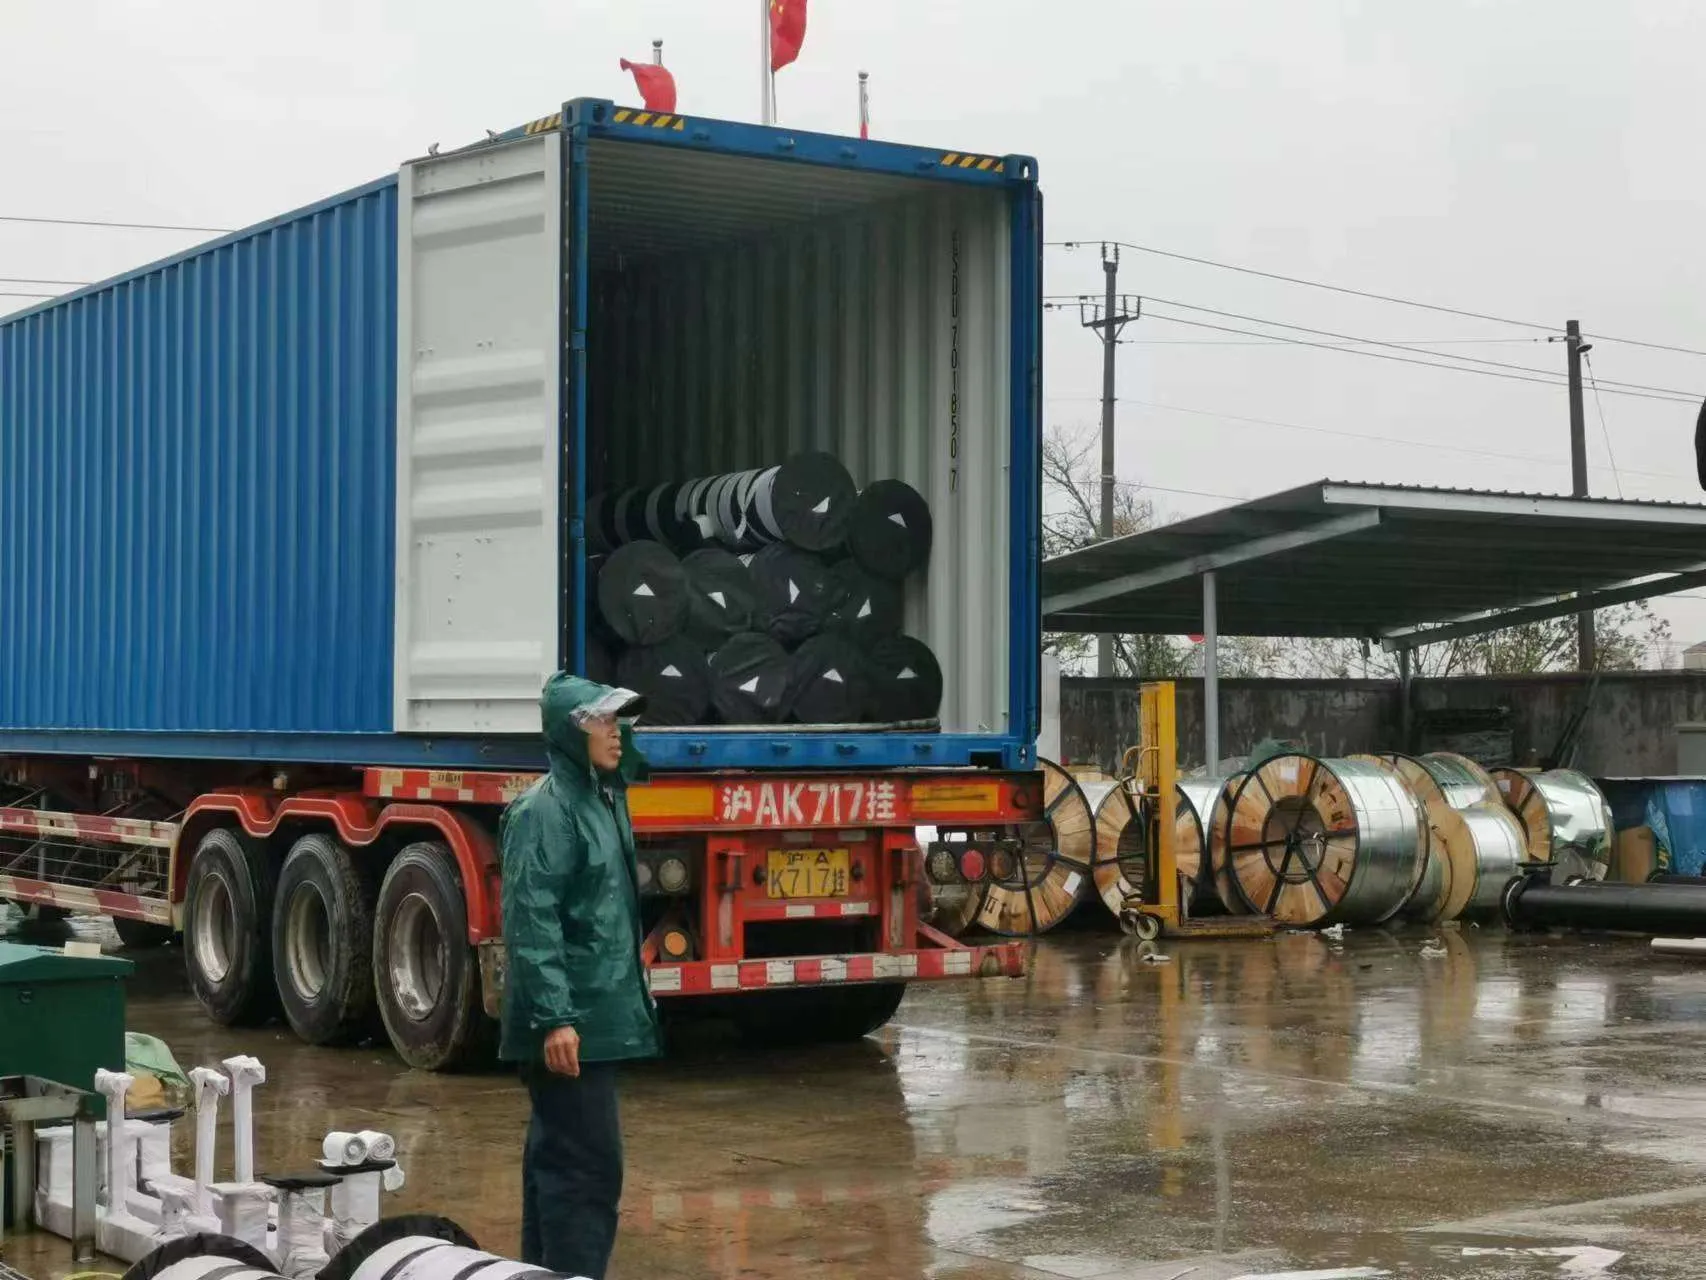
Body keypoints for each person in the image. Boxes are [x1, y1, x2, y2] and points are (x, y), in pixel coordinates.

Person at [499, 674, 661, 1280]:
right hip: (571, 1022)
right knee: (587, 1170)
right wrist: (556, 1017)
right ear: (572, 732)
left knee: (556, 1161)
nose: (617, 733)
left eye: (620, 721)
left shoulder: (601, 798)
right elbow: (531, 919)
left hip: (592, 1014)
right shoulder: (546, 811)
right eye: (602, 722)